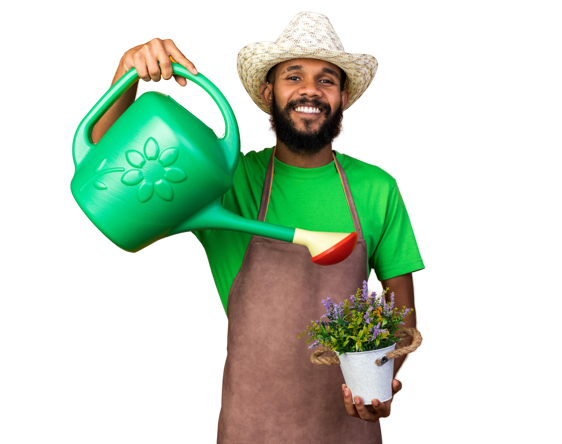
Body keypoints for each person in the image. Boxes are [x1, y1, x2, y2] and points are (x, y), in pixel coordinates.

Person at [92, 11, 425, 444]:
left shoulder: (378, 187)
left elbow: (402, 305)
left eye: (327, 79)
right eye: (293, 76)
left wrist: (383, 380)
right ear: (268, 91)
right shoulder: (227, 180)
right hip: (250, 431)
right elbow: (109, 161)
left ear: (343, 97)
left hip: (351, 434)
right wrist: (127, 72)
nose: (311, 89)